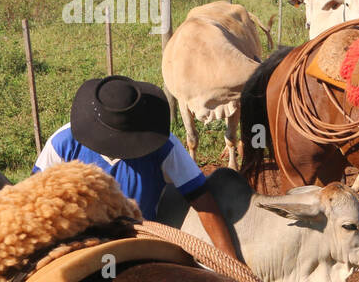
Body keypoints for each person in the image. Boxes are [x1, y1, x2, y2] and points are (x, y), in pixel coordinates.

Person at [33, 75, 242, 260]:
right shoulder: (63, 143)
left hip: (137, 245)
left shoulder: (163, 144)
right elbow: (35, 198)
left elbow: (200, 196)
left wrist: (229, 261)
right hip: (76, 246)